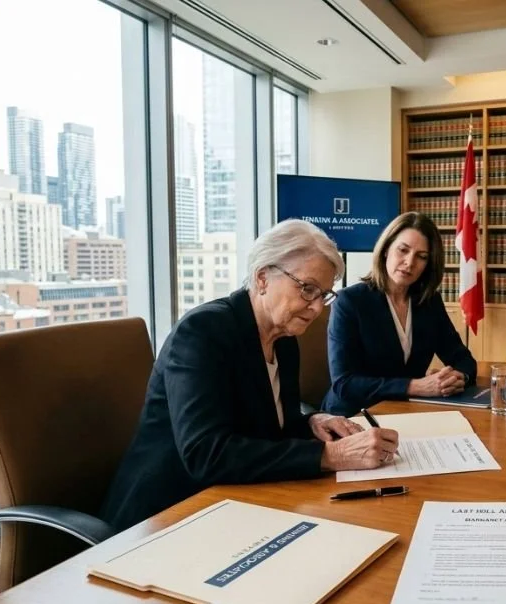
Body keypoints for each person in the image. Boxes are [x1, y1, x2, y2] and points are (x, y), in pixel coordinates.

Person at [100, 220, 400, 531]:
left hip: (235, 501)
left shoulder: (284, 340)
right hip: (166, 514)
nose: (315, 308)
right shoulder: (202, 332)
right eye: (307, 289)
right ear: (262, 278)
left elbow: (262, 429)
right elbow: (207, 454)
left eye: (323, 295)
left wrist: (311, 422)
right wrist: (330, 455)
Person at [322, 213, 476, 416]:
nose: (409, 262)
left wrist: (457, 378)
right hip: (353, 415)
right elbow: (344, 384)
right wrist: (415, 386)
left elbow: (464, 360)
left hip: (404, 411)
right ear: (386, 249)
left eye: (421, 257)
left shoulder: (429, 302)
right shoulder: (350, 301)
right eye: (403, 250)